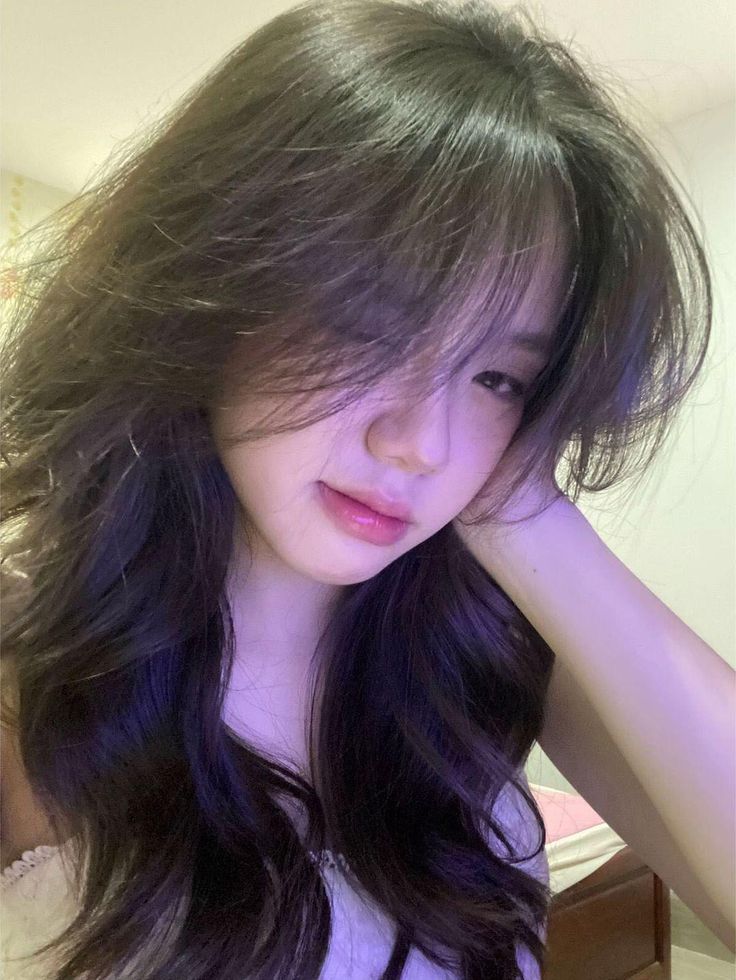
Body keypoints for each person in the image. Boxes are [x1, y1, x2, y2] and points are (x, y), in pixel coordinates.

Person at [1, 0, 732, 977]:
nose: (420, 443)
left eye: (497, 376)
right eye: (368, 325)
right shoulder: (32, 665)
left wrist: (524, 512)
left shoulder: (484, 654)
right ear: (217, 284)